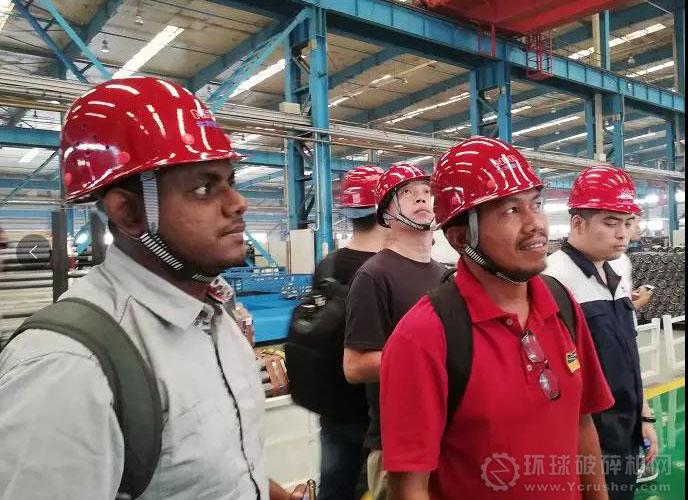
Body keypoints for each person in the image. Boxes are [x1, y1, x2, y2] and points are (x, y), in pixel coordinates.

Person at [0, 78, 303, 500]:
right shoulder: (67, 367)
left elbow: (219, 467)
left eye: (230, 180)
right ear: (129, 212)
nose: (238, 203)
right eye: (204, 188)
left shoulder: (216, 316)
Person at [379, 137, 614, 500]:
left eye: (536, 204)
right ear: (461, 237)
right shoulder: (424, 336)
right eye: (511, 210)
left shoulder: (561, 302)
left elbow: (582, 424)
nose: (536, 224)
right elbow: (411, 486)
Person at [545, 166, 659, 499]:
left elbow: (628, 351)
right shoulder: (552, 279)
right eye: (610, 223)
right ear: (577, 223)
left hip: (626, 429)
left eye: (627, 222)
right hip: (585, 436)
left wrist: (644, 415)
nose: (622, 234)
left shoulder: (620, 266)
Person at [343, 163, 446, 500]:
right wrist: (435, 359)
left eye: (427, 192)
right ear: (386, 213)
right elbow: (355, 366)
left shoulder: (444, 274)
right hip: (398, 445)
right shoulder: (373, 276)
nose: (421, 198)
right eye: (407, 192)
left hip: (445, 434)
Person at [311, 165, 388, 500]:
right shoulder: (388, 271)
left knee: (335, 490)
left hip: (333, 409)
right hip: (378, 418)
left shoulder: (326, 265)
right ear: (386, 210)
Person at [610, 217, 653, 312]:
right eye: (629, 223)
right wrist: (642, 300)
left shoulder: (623, 258)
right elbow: (613, 311)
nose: (638, 227)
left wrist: (629, 295)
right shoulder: (613, 259)